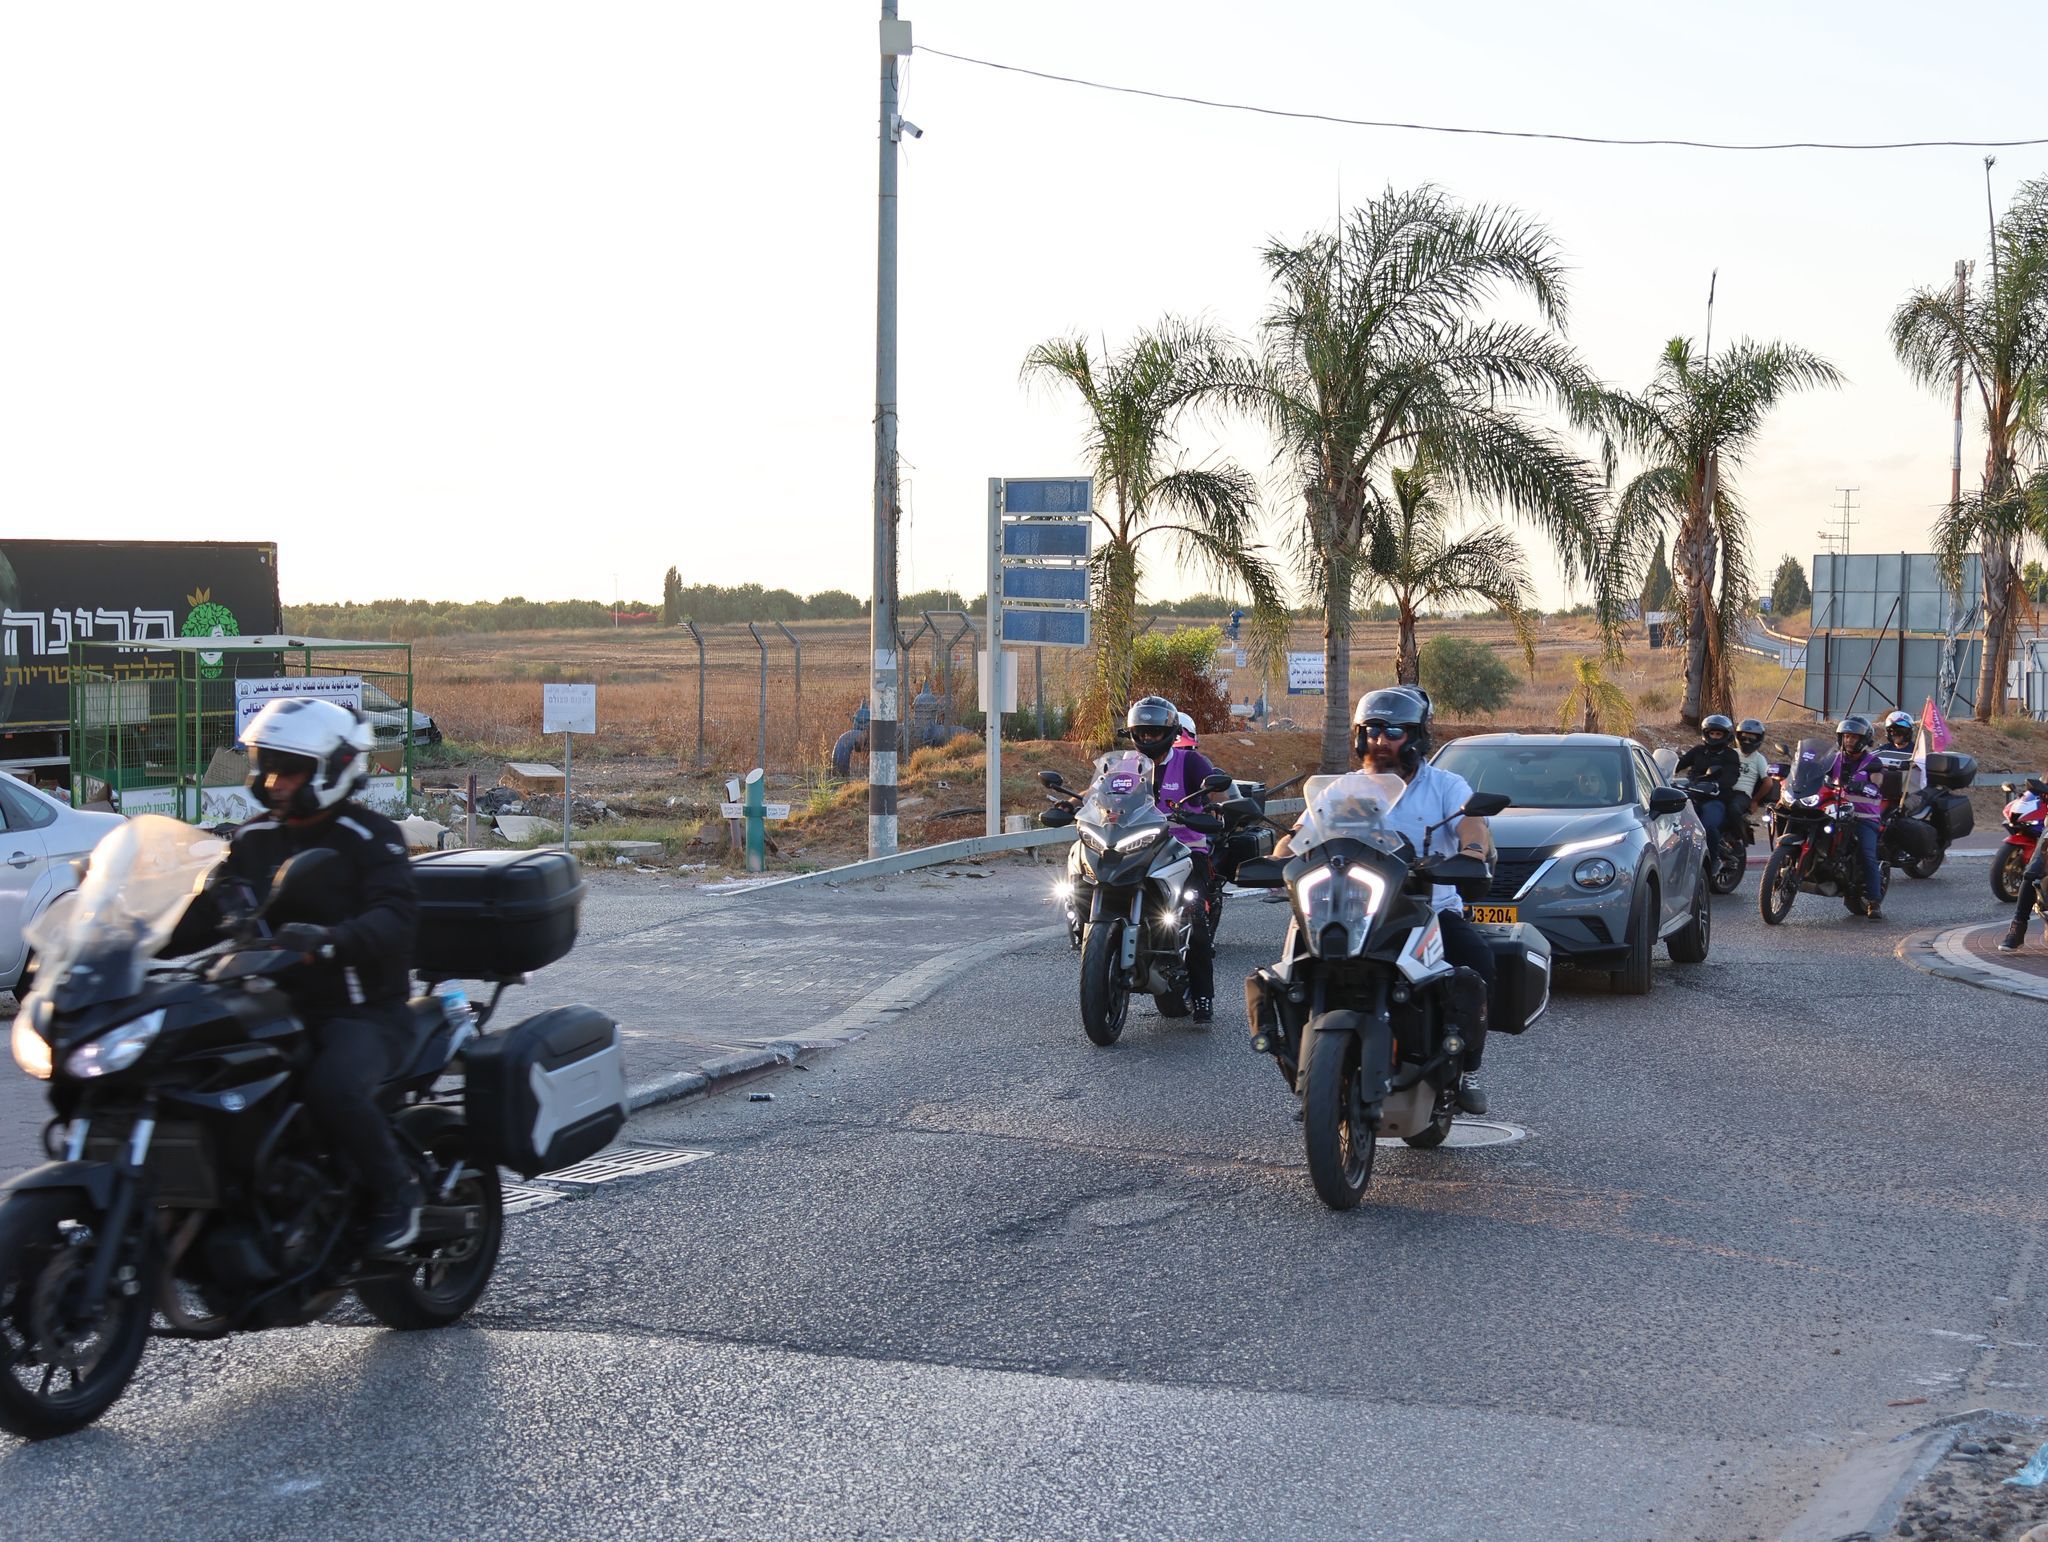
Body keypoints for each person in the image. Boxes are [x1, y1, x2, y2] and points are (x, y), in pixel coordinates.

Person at [166, 697, 426, 1253]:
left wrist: (332, 941)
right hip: (267, 1004)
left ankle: (396, 1193)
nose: (275, 783)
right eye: (267, 768)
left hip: (362, 1012)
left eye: (290, 771)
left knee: (332, 1087)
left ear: (333, 769)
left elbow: (395, 916)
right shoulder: (255, 836)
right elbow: (212, 911)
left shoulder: (371, 836)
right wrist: (134, 937)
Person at [1275, 686, 1497, 1114]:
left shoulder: (1446, 786)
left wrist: (1471, 852)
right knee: (1287, 973)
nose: (1381, 739)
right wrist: (1277, 857)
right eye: (1372, 730)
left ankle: (1466, 1068)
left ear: (1416, 736)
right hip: (1347, 908)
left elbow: (1472, 823)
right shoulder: (1342, 789)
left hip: (1424, 909)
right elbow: (1300, 834)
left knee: (1476, 963)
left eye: (1394, 731)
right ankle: (1308, 1068)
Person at [1124, 696, 1218, 1023]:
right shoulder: (1126, 765)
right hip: (1138, 849)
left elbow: (1216, 792)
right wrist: (1080, 805)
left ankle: (1203, 995)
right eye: (1142, 732)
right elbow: (1101, 793)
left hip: (1185, 852)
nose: (1147, 738)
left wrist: (1215, 807)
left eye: (1153, 732)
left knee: (1194, 914)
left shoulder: (1190, 763)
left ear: (1169, 732)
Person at [1822, 714, 1893, 921]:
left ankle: (1873, 901)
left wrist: (1865, 786)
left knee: (1866, 853)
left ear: (1863, 739)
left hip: (1863, 816)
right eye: (1846, 736)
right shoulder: (1834, 758)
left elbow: (1878, 783)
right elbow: (1818, 772)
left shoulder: (1873, 762)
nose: (1849, 740)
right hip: (1835, 811)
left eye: (1853, 737)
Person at [1674, 714, 1743, 854]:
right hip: (1694, 796)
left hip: (1716, 799)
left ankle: (1713, 859)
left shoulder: (1730, 755)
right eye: (1712, 733)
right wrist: (1662, 772)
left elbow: (1731, 776)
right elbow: (1680, 763)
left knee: (1707, 826)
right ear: (1706, 734)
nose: (1715, 737)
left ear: (1726, 735)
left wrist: (1716, 784)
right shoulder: (1698, 751)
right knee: (1675, 824)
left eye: (1718, 734)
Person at [1731, 718, 1771, 830]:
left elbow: (1768, 783)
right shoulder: (1732, 753)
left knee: (1733, 808)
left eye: (1751, 738)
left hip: (1743, 795)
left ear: (1758, 739)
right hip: (1725, 791)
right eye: (1744, 738)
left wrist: (1755, 800)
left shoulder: (1759, 759)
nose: (1747, 742)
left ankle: (1741, 832)